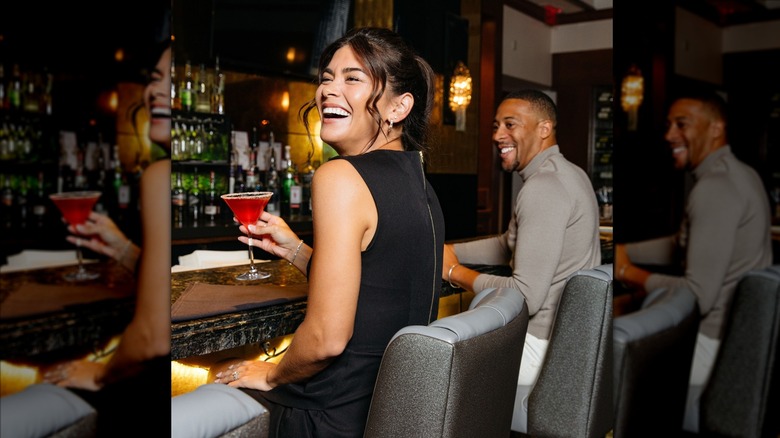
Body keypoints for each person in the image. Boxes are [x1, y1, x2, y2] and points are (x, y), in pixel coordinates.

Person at [211, 27, 445, 437]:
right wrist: (297, 251)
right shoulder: (419, 183)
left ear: (399, 106)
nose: (328, 90)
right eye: (326, 77)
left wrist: (272, 374)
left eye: (353, 78)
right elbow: (381, 285)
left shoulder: (339, 176)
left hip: (329, 416)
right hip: (389, 410)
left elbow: (325, 340)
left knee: (209, 382)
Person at [443, 88, 602, 432]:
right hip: (566, 341)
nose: (498, 135)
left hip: (539, 348)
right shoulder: (568, 173)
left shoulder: (543, 187)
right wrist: (454, 249)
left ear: (544, 129)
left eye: (510, 124)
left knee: (438, 385)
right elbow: (509, 244)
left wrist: (455, 272)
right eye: (496, 125)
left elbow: (526, 296)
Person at [614, 90, 772, 433]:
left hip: (711, 343)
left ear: (716, 129)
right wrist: (627, 250)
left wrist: (628, 271)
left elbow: (699, 294)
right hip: (734, 337)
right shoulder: (741, 174)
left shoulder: (714, 188)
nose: (669, 134)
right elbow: (682, 243)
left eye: (681, 124)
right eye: (669, 125)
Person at [41, 39, 172, 435]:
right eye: (155, 79)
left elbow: (152, 337)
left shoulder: (158, 175)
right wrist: (127, 250)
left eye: (175, 79)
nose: (157, 90)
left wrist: (100, 375)